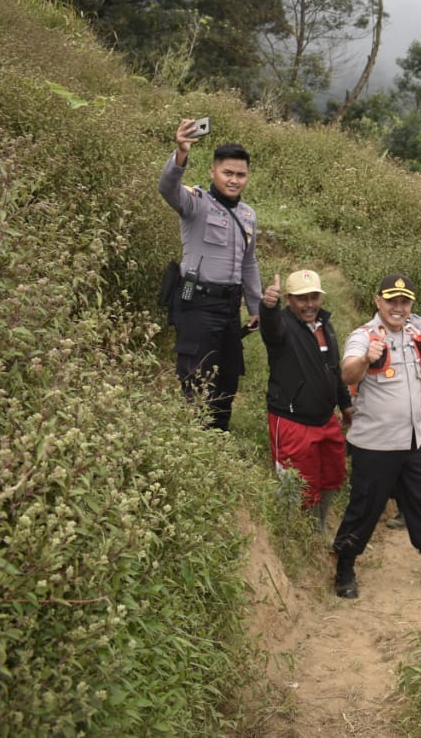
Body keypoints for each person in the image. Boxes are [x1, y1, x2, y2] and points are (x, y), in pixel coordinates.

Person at [332, 274, 421, 599]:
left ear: (411, 305)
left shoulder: (417, 335)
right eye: (392, 301)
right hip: (374, 445)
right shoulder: (364, 336)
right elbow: (346, 373)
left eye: (404, 302)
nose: (398, 308)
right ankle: (344, 569)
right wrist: (365, 359)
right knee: (364, 508)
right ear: (378, 302)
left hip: (414, 441)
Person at [158, 120, 261, 431]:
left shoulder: (248, 215)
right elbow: (167, 189)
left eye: (240, 174)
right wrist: (180, 153)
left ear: (247, 177)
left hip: (229, 310)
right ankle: (194, 439)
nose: (233, 180)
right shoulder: (196, 203)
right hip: (197, 306)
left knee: (228, 379)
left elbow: (249, 263)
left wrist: (256, 308)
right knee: (197, 378)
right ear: (213, 173)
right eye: (227, 173)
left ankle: (218, 438)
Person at [258, 269, 353, 534]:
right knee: (298, 483)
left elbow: (333, 369)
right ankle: (297, 539)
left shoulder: (325, 325)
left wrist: (345, 404)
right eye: (302, 299)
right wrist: (268, 307)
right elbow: (270, 327)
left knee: (333, 474)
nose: (309, 304)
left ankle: (319, 527)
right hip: (292, 419)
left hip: (325, 418)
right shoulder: (283, 325)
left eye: (314, 297)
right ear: (289, 300)